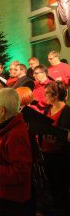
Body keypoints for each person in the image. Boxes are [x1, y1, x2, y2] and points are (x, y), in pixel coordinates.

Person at [0, 88, 33, 216]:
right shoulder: (6, 127)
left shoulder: (16, 134)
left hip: (5, 199)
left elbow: (21, 171)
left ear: (2, 111)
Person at [42, 81, 70, 215]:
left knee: (61, 187)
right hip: (46, 154)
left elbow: (66, 135)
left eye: (47, 93)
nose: (44, 96)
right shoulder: (48, 109)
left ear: (56, 94)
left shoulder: (67, 111)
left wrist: (59, 140)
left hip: (61, 157)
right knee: (50, 187)